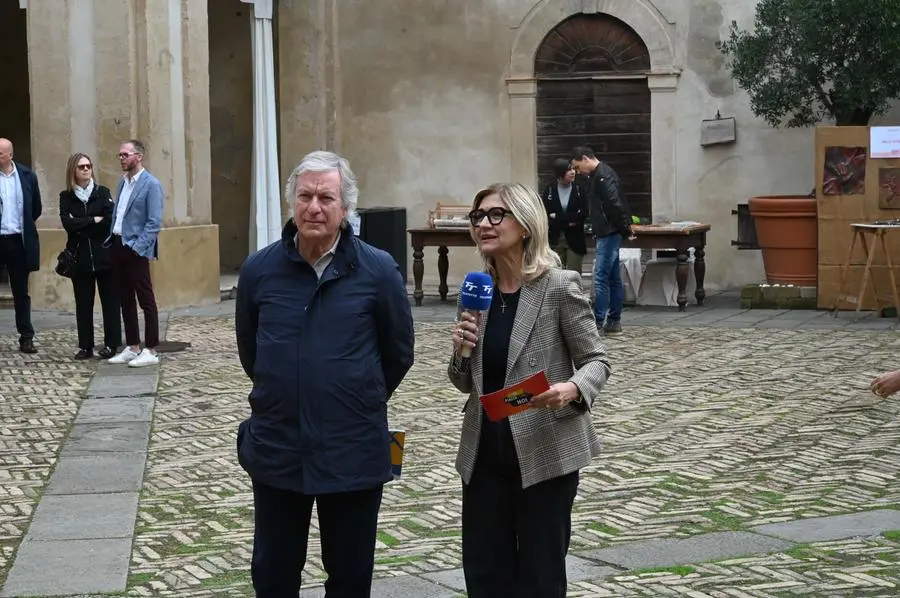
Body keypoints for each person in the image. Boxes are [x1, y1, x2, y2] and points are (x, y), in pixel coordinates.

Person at [235, 150, 415, 597]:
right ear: (292, 202)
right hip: (278, 448)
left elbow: (398, 353)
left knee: (351, 577)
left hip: (352, 449)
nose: (314, 207)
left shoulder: (377, 270)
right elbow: (251, 354)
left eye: (326, 198)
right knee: (273, 575)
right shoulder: (259, 271)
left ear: (346, 208)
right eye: (305, 196)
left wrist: (354, 395)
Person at [448, 183, 610, 598]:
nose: (484, 223)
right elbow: (463, 381)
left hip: (544, 450)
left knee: (539, 578)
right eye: (478, 216)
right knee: (484, 575)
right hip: (485, 452)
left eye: (496, 214)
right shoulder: (477, 290)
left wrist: (572, 388)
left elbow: (597, 360)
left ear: (525, 224)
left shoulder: (557, 286)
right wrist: (462, 350)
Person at [106, 140, 162, 368]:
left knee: (145, 299)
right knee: (125, 299)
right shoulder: (122, 183)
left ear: (139, 156)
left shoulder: (151, 185)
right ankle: (132, 346)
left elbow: (154, 222)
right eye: (119, 155)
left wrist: (138, 247)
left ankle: (151, 349)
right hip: (118, 244)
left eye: (125, 155)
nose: (121, 158)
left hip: (136, 248)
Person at [59, 153, 121, 359]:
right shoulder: (66, 197)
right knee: (83, 304)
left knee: (110, 303)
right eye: (81, 167)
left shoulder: (102, 193)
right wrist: (93, 220)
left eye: (88, 166)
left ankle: (112, 344)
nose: (86, 169)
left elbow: (109, 221)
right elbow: (68, 224)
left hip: (105, 256)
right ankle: (86, 346)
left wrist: (83, 223)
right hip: (80, 258)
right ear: (73, 171)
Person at [571, 146, 634, 334]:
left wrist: (625, 228)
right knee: (613, 278)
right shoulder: (600, 174)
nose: (577, 172)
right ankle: (614, 320)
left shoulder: (602, 176)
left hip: (609, 232)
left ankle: (598, 321)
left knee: (600, 278)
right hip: (609, 231)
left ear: (584, 159)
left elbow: (615, 204)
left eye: (577, 167)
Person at [0, 138, 42, 354]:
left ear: (10, 155)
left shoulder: (26, 176)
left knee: (21, 292)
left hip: (18, 241)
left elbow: (35, 208)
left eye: (0, 154)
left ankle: (26, 337)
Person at [542, 158, 587, 273]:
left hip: (575, 239)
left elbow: (583, 213)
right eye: (569, 170)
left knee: (574, 274)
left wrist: (558, 217)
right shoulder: (550, 189)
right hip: (556, 239)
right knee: (555, 275)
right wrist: (571, 219)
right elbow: (546, 213)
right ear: (560, 174)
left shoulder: (579, 188)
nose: (573, 172)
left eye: (573, 169)